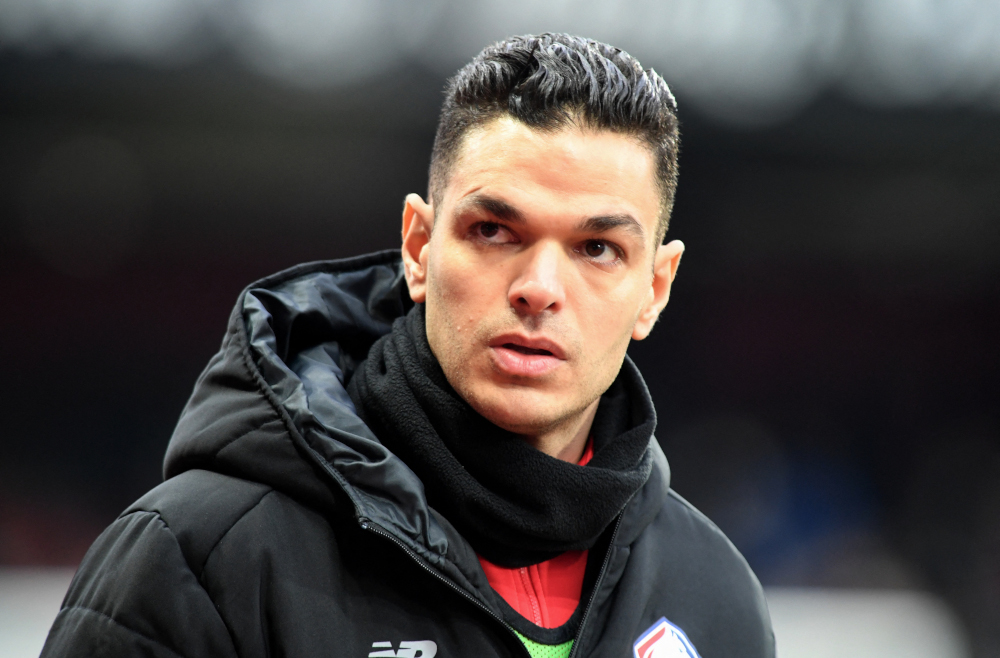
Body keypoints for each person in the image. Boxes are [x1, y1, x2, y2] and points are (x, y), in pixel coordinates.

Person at [42, 33, 773, 658]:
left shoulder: (715, 595)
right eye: (494, 231)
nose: (539, 287)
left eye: (598, 248)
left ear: (655, 287)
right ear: (418, 248)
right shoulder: (197, 556)